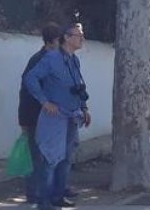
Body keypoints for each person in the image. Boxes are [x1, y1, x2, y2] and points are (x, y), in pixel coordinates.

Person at [22, 22, 92, 210]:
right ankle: (44, 201)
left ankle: (58, 196)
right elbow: (30, 79)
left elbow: (78, 86)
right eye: (78, 35)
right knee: (50, 157)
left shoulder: (74, 60)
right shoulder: (51, 58)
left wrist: (84, 108)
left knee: (66, 158)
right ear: (67, 38)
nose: (82, 39)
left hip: (72, 115)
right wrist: (44, 101)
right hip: (54, 117)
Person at [18, 23, 61, 206]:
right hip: (35, 116)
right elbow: (29, 89)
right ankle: (34, 194)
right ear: (52, 41)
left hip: (43, 116)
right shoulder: (40, 60)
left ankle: (41, 193)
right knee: (38, 157)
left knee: (44, 156)